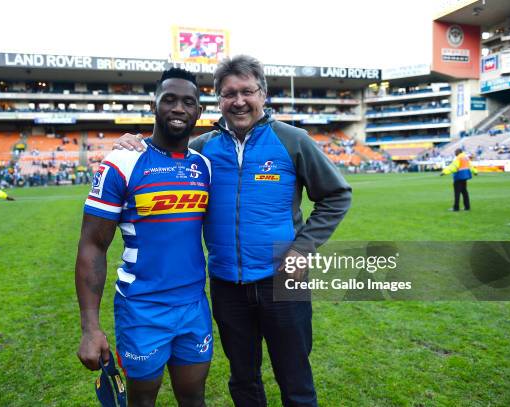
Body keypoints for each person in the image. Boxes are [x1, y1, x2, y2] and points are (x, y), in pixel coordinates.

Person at [114, 55, 352, 407]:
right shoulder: (202, 150)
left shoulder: (292, 140)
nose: (239, 101)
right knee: (243, 380)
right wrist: (133, 142)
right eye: (229, 94)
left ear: (263, 94)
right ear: (219, 100)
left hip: (282, 283)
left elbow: (336, 195)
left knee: (296, 379)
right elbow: (163, 148)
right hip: (227, 287)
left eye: (247, 91)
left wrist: (303, 248)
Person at [75, 68, 213, 407]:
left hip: (194, 305)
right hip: (142, 309)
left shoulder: (203, 166)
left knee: (194, 397)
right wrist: (90, 328)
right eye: (169, 99)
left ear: (199, 112)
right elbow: (93, 245)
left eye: (188, 102)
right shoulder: (123, 161)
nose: (178, 108)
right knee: (142, 401)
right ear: (154, 105)